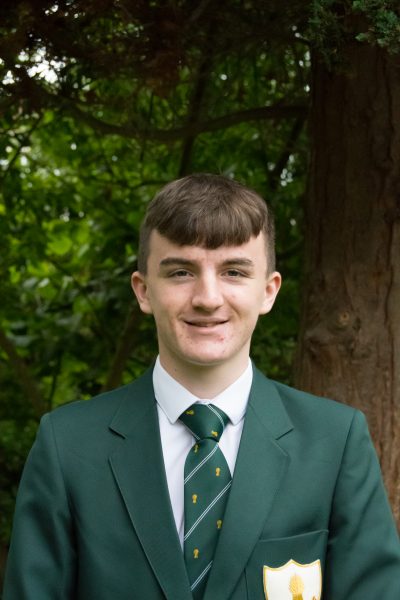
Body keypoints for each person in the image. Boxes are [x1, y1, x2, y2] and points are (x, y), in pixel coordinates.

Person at [3, 173, 400, 600]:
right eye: (180, 272)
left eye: (234, 271)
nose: (208, 298)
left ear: (269, 292)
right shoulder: (67, 445)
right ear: (143, 291)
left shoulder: (335, 442)